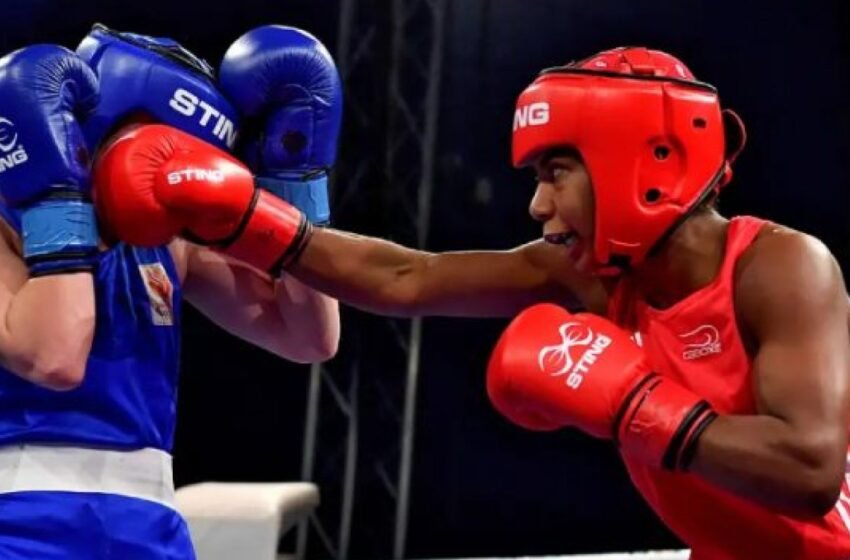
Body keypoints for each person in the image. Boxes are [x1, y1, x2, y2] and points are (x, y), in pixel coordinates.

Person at [98, 45, 850, 558]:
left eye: (557, 171)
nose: (537, 205)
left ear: (639, 161)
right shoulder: (586, 276)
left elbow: (811, 472)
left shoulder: (780, 265)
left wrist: (633, 403)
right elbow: (408, 278)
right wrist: (248, 217)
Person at [0, 24, 340, 558]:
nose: (161, 168)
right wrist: (60, 203)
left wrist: (296, 183)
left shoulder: (168, 245)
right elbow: (55, 357)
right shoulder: (5, 226)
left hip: (152, 528)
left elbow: (309, 337)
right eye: (148, 143)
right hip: (21, 524)